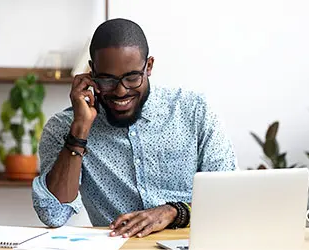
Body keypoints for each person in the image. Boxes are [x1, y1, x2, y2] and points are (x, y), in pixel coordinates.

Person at [32, 18, 237, 238]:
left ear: (148, 67)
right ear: (91, 72)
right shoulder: (64, 127)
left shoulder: (195, 112)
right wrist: (80, 131)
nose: (120, 92)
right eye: (107, 80)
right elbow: (53, 214)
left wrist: (173, 212)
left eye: (131, 78)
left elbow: (230, 199)